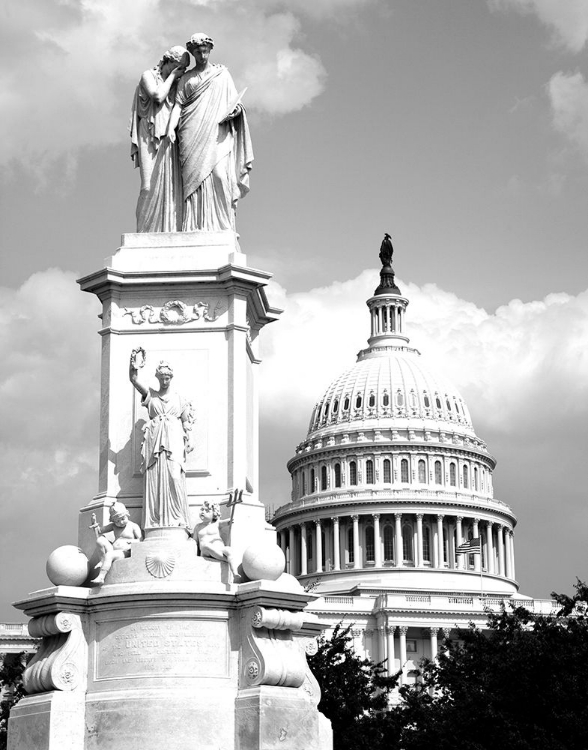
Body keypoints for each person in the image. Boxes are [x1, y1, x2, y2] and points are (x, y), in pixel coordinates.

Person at [167, 33, 253, 231]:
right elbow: (178, 106)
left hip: (217, 131)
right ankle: (193, 225)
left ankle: (223, 226)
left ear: (210, 50)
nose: (201, 54)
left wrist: (236, 111)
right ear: (193, 52)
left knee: (220, 176)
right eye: (197, 51)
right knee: (192, 181)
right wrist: (171, 129)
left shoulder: (222, 74)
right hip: (190, 130)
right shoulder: (186, 78)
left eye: (204, 50)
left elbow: (236, 102)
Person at [129, 350, 194, 530]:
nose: (164, 381)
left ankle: (178, 516)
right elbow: (134, 381)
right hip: (155, 438)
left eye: (167, 378)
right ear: (158, 378)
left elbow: (187, 423)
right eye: (161, 378)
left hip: (174, 438)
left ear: (171, 378)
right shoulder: (152, 396)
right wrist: (133, 368)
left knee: (175, 475)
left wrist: (190, 439)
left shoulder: (180, 400)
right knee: (155, 477)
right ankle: (156, 519)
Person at [129, 46, 190, 232]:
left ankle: (168, 230)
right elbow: (157, 96)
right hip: (149, 132)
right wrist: (173, 77)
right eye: (179, 67)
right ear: (168, 61)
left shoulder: (177, 84)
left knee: (170, 188)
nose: (181, 72)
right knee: (148, 186)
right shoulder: (148, 75)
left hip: (169, 138)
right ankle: (142, 232)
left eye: (184, 69)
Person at [90, 502, 142, 584]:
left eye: (122, 519)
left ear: (127, 515)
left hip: (124, 552)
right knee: (100, 540)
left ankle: (101, 576)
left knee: (109, 555)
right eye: (117, 521)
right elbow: (100, 531)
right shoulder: (114, 526)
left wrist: (131, 542)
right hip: (112, 549)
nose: (120, 522)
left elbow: (140, 540)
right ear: (113, 521)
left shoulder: (133, 526)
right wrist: (94, 523)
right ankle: (102, 560)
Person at [194, 499, 238, 575]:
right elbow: (194, 542)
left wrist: (230, 521)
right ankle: (227, 560)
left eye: (207, 511)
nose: (203, 512)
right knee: (206, 546)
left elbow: (227, 522)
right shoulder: (198, 527)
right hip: (205, 551)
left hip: (219, 547)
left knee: (229, 550)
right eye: (202, 509)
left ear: (214, 513)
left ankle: (234, 571)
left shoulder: (216, 524)